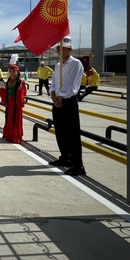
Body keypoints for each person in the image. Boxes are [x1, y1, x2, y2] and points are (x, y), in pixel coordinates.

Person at [49, 36, 85, 176]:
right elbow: (53, 83)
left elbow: (72, 84)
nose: (59, 50)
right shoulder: (58, 65)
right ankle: (65, 157)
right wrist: (53, 94)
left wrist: (61, 96)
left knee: (72, 134)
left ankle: (78, 165)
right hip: (57, 101)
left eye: (62, 48)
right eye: (58, 48)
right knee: (60, 132)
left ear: (69, 49)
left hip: (68, 102)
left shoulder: (76, 64)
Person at [0, 64, 27, 143]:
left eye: (13, 71)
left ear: (17, 72)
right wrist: (1, 89)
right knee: (8, 118)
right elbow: (5, 91)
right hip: (9, 103)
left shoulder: (20, 82)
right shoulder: (8, 81)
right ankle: (8, 135)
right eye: (10, 71)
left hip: (16, 104)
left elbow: (23, 92)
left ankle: (14, 136)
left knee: (15, 119)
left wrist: (19, 92)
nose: (12, 73)